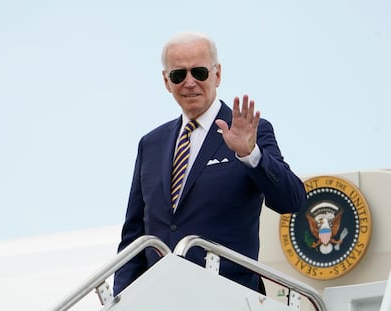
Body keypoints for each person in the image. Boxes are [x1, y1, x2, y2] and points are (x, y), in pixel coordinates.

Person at [113, 31, 306, 296]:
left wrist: (251, 155)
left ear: (217, 75)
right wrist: (120, 298)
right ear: (166, 81)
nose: (189, 83)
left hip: (227, 294)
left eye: (199, 72)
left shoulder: (252, 131)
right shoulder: (151, 144)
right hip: (161, 297)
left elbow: (292, 199)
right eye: (179, 75)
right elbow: (134, 235)